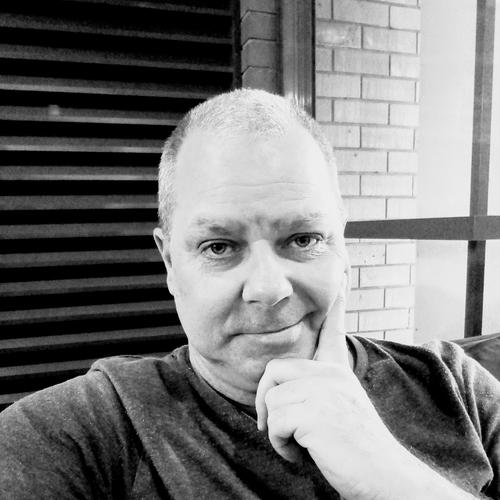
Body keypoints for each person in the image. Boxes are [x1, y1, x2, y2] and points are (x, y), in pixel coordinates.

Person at [0, 89, 499, 499]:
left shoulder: (457, 388)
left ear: (341, 245)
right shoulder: (74, 437)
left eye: (303, 239)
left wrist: (388, 476)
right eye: (219, 247)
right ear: (170, 264)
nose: (268, 289)